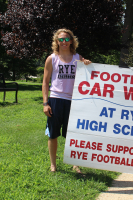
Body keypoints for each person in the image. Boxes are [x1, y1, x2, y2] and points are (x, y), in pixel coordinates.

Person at [42, 28, 91, 173]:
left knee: (73, 134)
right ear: (57, 41)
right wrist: (45, 103)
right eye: (61, 39)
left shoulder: (78, 58)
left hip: (74, 101)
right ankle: (53, 165)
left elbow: (88, 74)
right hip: (56, 99)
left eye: (66, 39)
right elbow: (45, 82)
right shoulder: (52, 58)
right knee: (53, 134)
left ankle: (75, 164)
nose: (64, 42)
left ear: (71, 41)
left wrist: (87, 63)